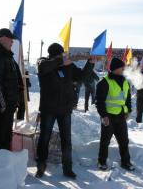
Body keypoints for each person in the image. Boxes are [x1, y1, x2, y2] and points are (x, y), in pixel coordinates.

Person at [35, 42, 99, 179]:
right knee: (44, 138)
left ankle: (67, 169)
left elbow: (81, 76)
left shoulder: (68, 66)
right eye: (60, 54)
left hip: (65, 108)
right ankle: (40, 167)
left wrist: (90, 63)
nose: (63, 56)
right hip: (48, 108)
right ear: (55, 54)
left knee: (66, 139)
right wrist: (60, 61)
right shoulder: (44, 62)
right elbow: (42, 68)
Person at [0, 28, 23, 150]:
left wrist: (14, 100)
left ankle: (4, 164)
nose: (12, 41)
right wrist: (2, 104)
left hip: (8, 103)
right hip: (1, 105)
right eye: (10, 38)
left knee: (6, 137)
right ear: (1, 39)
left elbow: (12, 81)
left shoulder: (7, 56)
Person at [95, 57, 134, 171]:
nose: (124, 69)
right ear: (116, 68)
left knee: (124, 141)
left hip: (121, 115)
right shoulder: (105, 81)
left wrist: (128, 110)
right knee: (105, 140)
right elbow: (99, 101)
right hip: (108, 116)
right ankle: (101, 162)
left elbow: (127, 98)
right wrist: (104, 116)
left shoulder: (125, 81)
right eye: (122, 67)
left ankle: (125, 162)